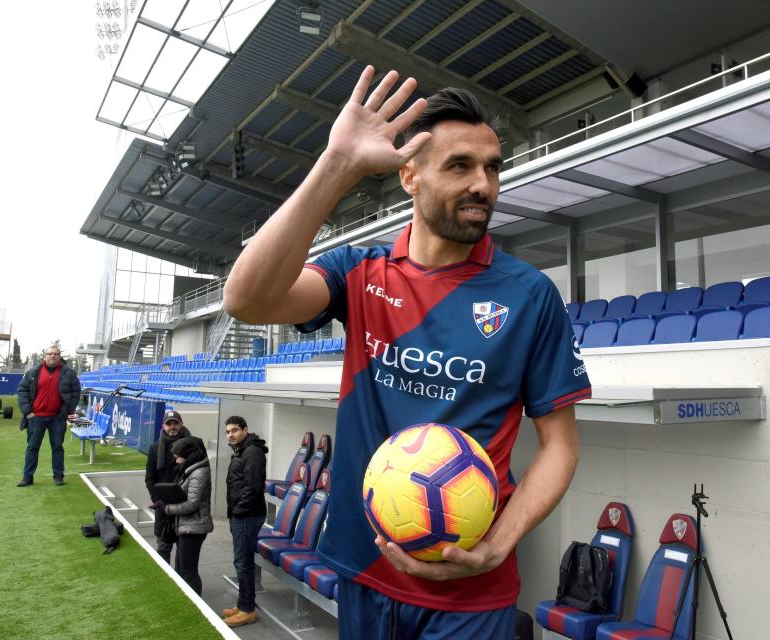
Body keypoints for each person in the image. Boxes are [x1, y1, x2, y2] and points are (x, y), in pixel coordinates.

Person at [224, 66, 591, 639]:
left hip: (471, 595)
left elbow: (560, 446)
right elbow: (246, 299)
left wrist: (500, 542)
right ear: (409, 177)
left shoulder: (529, 295)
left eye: (493, 167)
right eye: (460, 166)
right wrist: (337, 165)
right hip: (365, 572)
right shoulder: (360, 272)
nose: (484, 185)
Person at [221, 416, 268, 628]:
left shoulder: (252, 452)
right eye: (228, 432)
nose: (230, 435)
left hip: (247, 516)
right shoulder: (243, 450)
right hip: (242, 514)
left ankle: (247, 610)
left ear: (245, 430)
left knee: (243, 563)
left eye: (234, 430)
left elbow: (253, 487)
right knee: (242, 562)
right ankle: (243, 605)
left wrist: (238, 511)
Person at [16, 345, 81, 487]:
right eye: (50, 353)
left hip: (57, 418)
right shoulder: (33, 372)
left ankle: (58, 476)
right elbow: (22, 391)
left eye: (56, 354)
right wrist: (28, 412)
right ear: (44, 356)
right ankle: (27, 477)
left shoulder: (68, 373)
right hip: (36, 417)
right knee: (32, 447)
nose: (53, 356)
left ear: (60, 357)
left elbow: (76, 392)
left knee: (57, 447)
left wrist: (66, 411)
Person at [163, 436, 213, 595]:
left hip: (194, 528)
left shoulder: (198, 473)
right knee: (181, 568)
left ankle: (197, 606)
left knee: (188, 572)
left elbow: (192, 504)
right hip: (187, 527)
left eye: (178, 458)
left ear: (188, 455)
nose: (177, 461)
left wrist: (168, 509)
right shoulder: (191, 470)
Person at [145, 409, 192, 563]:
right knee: (163, 548)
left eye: (175, 423)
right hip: (163, 507)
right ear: (163, 426)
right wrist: (157, 500)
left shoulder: (193, 446)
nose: (172, 427)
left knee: (184, 551)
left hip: (185, 507)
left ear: (182, 424)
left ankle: (182, 583)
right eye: (169, 424)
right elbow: (150, 478)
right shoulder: (154, 448)